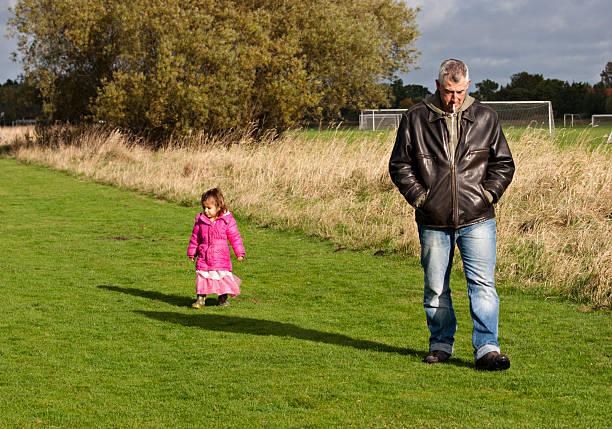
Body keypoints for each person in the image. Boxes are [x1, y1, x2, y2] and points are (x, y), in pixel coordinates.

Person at [389, 59, 515, 370]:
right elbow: (400, 165)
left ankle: (487, 348)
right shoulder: (415, 117)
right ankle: (441, 344)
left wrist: (487, 195)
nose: (454, 98)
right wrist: (421, 198)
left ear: (468, 86)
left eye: (459, 91)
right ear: (437, 86)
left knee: (483, 284)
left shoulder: (486, 117)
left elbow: (504, 164)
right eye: (448, 91)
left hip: (478, 218)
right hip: (433, 219)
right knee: (435, 287)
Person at [187, 188, 245, 308]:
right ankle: (200, 299)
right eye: (204, 207)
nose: (206, 211)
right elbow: (195, 238)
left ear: (218, 207)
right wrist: (192, 252)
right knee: (203, 276)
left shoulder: (226, 221)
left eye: (209, 208)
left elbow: (235, 237)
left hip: (221, 257)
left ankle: (223, 299)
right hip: (204, 256)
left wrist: (239, 252)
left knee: (221, 278)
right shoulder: (200, 221)